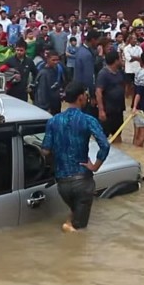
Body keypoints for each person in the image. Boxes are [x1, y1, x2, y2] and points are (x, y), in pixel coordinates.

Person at [41, 82, 111, 233]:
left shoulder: (53, 121)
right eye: (85, 95)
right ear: (80, 98)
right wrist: (95, 166)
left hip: (62, 184)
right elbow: (105, 145)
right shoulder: (88, 120)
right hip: (82, 181)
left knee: (74, 218)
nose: (86, 97)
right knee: (78, 230)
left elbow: (45, 150)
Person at [95, 51, 126, 143]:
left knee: (118, 133)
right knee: (103, 136)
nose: (122, 60)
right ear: (116, 60)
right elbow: (98, 92)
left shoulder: (119, 72)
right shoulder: (103, 74)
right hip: (108, 110)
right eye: (120, 58)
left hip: (118, 109)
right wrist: (101, 110)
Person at [34, 50, 65, 115]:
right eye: (53, 60)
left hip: (55, 105)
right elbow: (42, 93)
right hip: (47, 108)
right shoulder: (44, 74)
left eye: (57, 60)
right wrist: (45, 108)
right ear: (47, 59)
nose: (56, 62)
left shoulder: (55, 69)